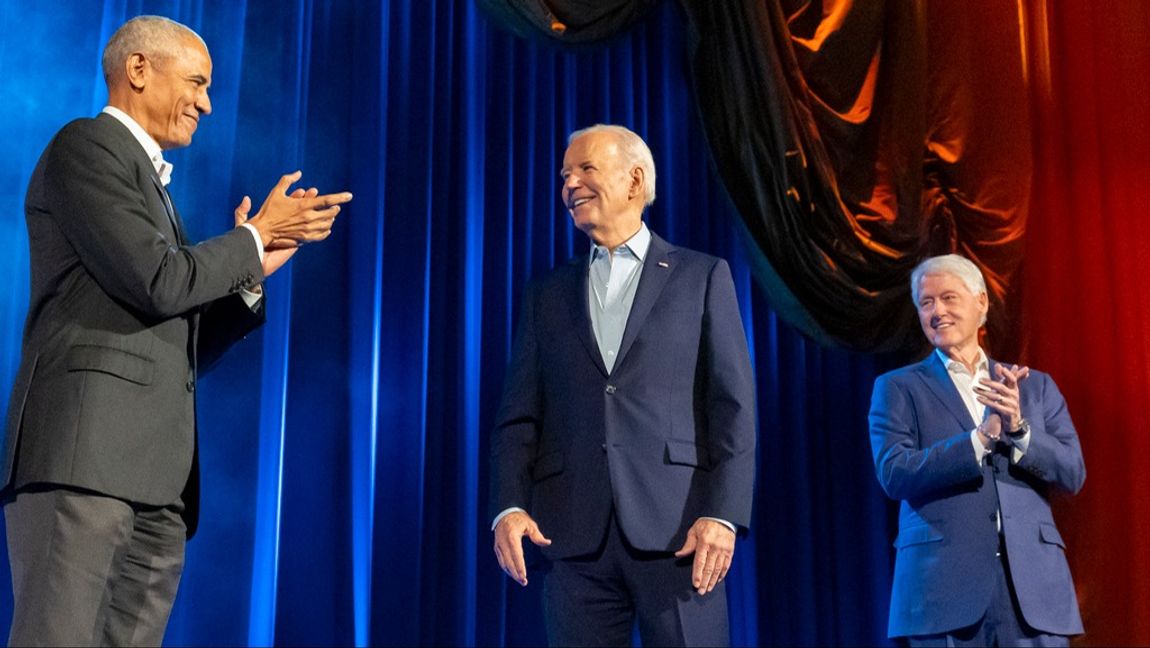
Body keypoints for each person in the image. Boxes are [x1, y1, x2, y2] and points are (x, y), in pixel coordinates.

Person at [1, 15, 352, 646]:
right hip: (86, 466)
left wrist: (253, 272)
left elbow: (178, 336)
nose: (207, 103)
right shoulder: (87, 146)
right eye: (196, 82)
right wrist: (250, 237)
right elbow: (158, 281)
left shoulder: (158, 192)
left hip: (157, 485)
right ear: (139, 70)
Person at [490, 124, 756, 647]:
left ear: (635, 180)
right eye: (565, 174)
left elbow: (733, 408)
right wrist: (508, 505)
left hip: (680, 532)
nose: (569, 183)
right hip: (572, 534)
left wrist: (722, 515)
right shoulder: (547, 293)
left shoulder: (701, 276)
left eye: (586, 169)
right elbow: (519, 414)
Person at [869, 254, 1085, 646]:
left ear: (981, 302)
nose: (938, 312)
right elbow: (893, 473)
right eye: (926, 302)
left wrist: (1019, 431)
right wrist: (980, 439)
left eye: (949, 298)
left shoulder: (1033, 387)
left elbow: (1072, 472)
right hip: (943, 592)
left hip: (1032, 592)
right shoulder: (898, 387)